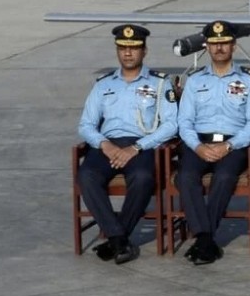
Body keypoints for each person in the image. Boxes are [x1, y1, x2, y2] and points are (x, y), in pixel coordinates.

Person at [76, 23, 177, 264]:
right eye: (122, 48)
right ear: (117, 51)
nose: (128, 53)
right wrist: (105, 145)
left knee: (142, 178)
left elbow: (171, 124)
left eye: (134, 48)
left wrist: (137, 147)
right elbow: (86, 125)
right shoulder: (103, 84)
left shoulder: (159, 83)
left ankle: (115, 239)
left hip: (142, 145)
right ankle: (119, 239)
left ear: (144, 51)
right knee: (86, 176)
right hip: (107, 145)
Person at [176, 20, 250, 266]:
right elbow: (184, 121)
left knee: (225, 177)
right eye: (214, 44)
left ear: (233, 46)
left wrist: (228, 145)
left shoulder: (248, 80)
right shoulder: (195, 81)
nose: (219, 48)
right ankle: (206, 239)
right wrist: (198, 146)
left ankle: (203, 238)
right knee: (185, 176)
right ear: (206, 46)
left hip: (233, 143)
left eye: (224, 43)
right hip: (199, 141)